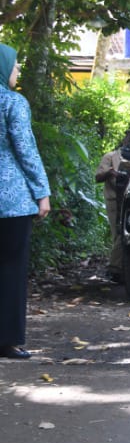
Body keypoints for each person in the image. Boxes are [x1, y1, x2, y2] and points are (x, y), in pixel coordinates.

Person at [0, 42, 52, 361]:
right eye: (16, 65)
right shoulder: (13, 103)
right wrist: (42, 193)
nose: (18, 71)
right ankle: (7, 341)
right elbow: (26, 150)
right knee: (11, 269)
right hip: (12, 202)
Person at [93, 146, 125, 282]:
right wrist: (110, 173)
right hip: (114, 199)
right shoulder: (111, 157)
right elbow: (98, 177)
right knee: (118, 232)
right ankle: (115, 268)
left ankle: (121, 267)